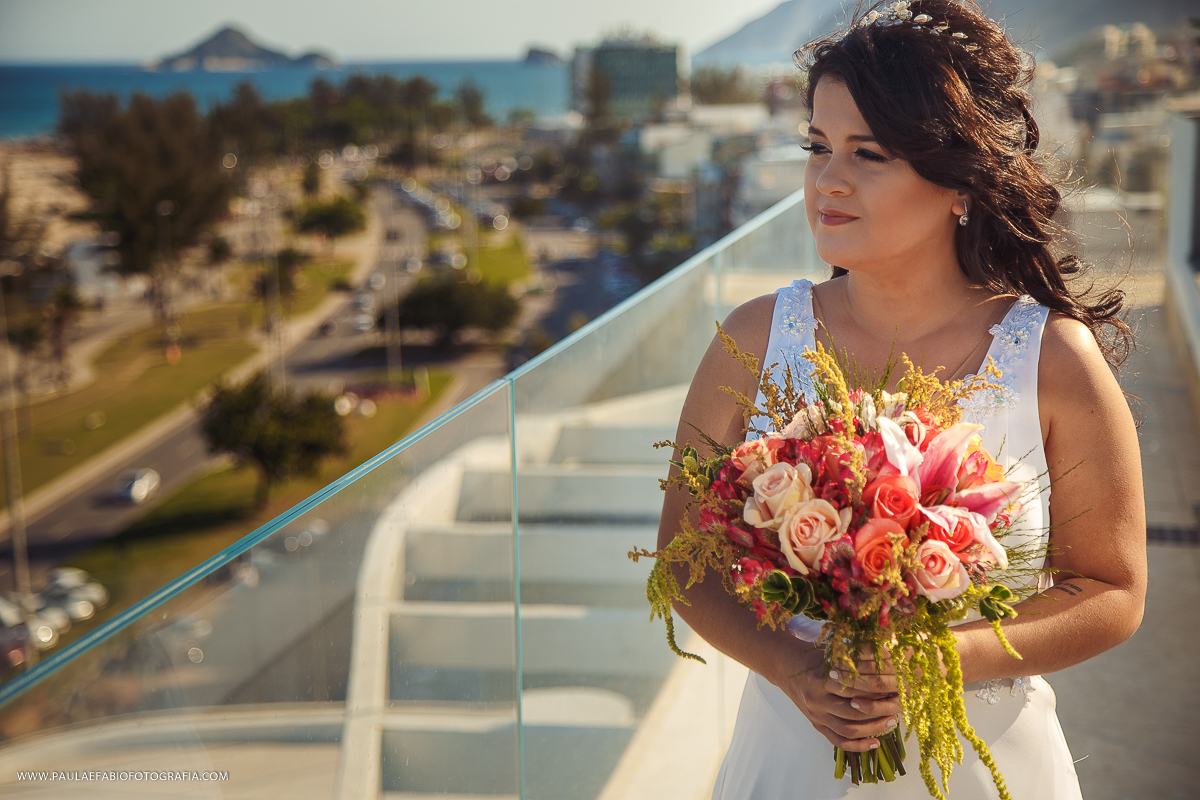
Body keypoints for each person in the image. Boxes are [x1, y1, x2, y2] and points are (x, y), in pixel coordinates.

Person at [655, 1, 1147, 797]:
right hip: (789, 759)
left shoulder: (1051, 358)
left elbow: (1114, 591)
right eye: (816, 146)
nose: (828, 180)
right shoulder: (751, 340)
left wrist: (936, 659)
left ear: (959, 181)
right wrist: (793, 665)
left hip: (989, 767)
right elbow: (685, 560)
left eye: (869, 153)